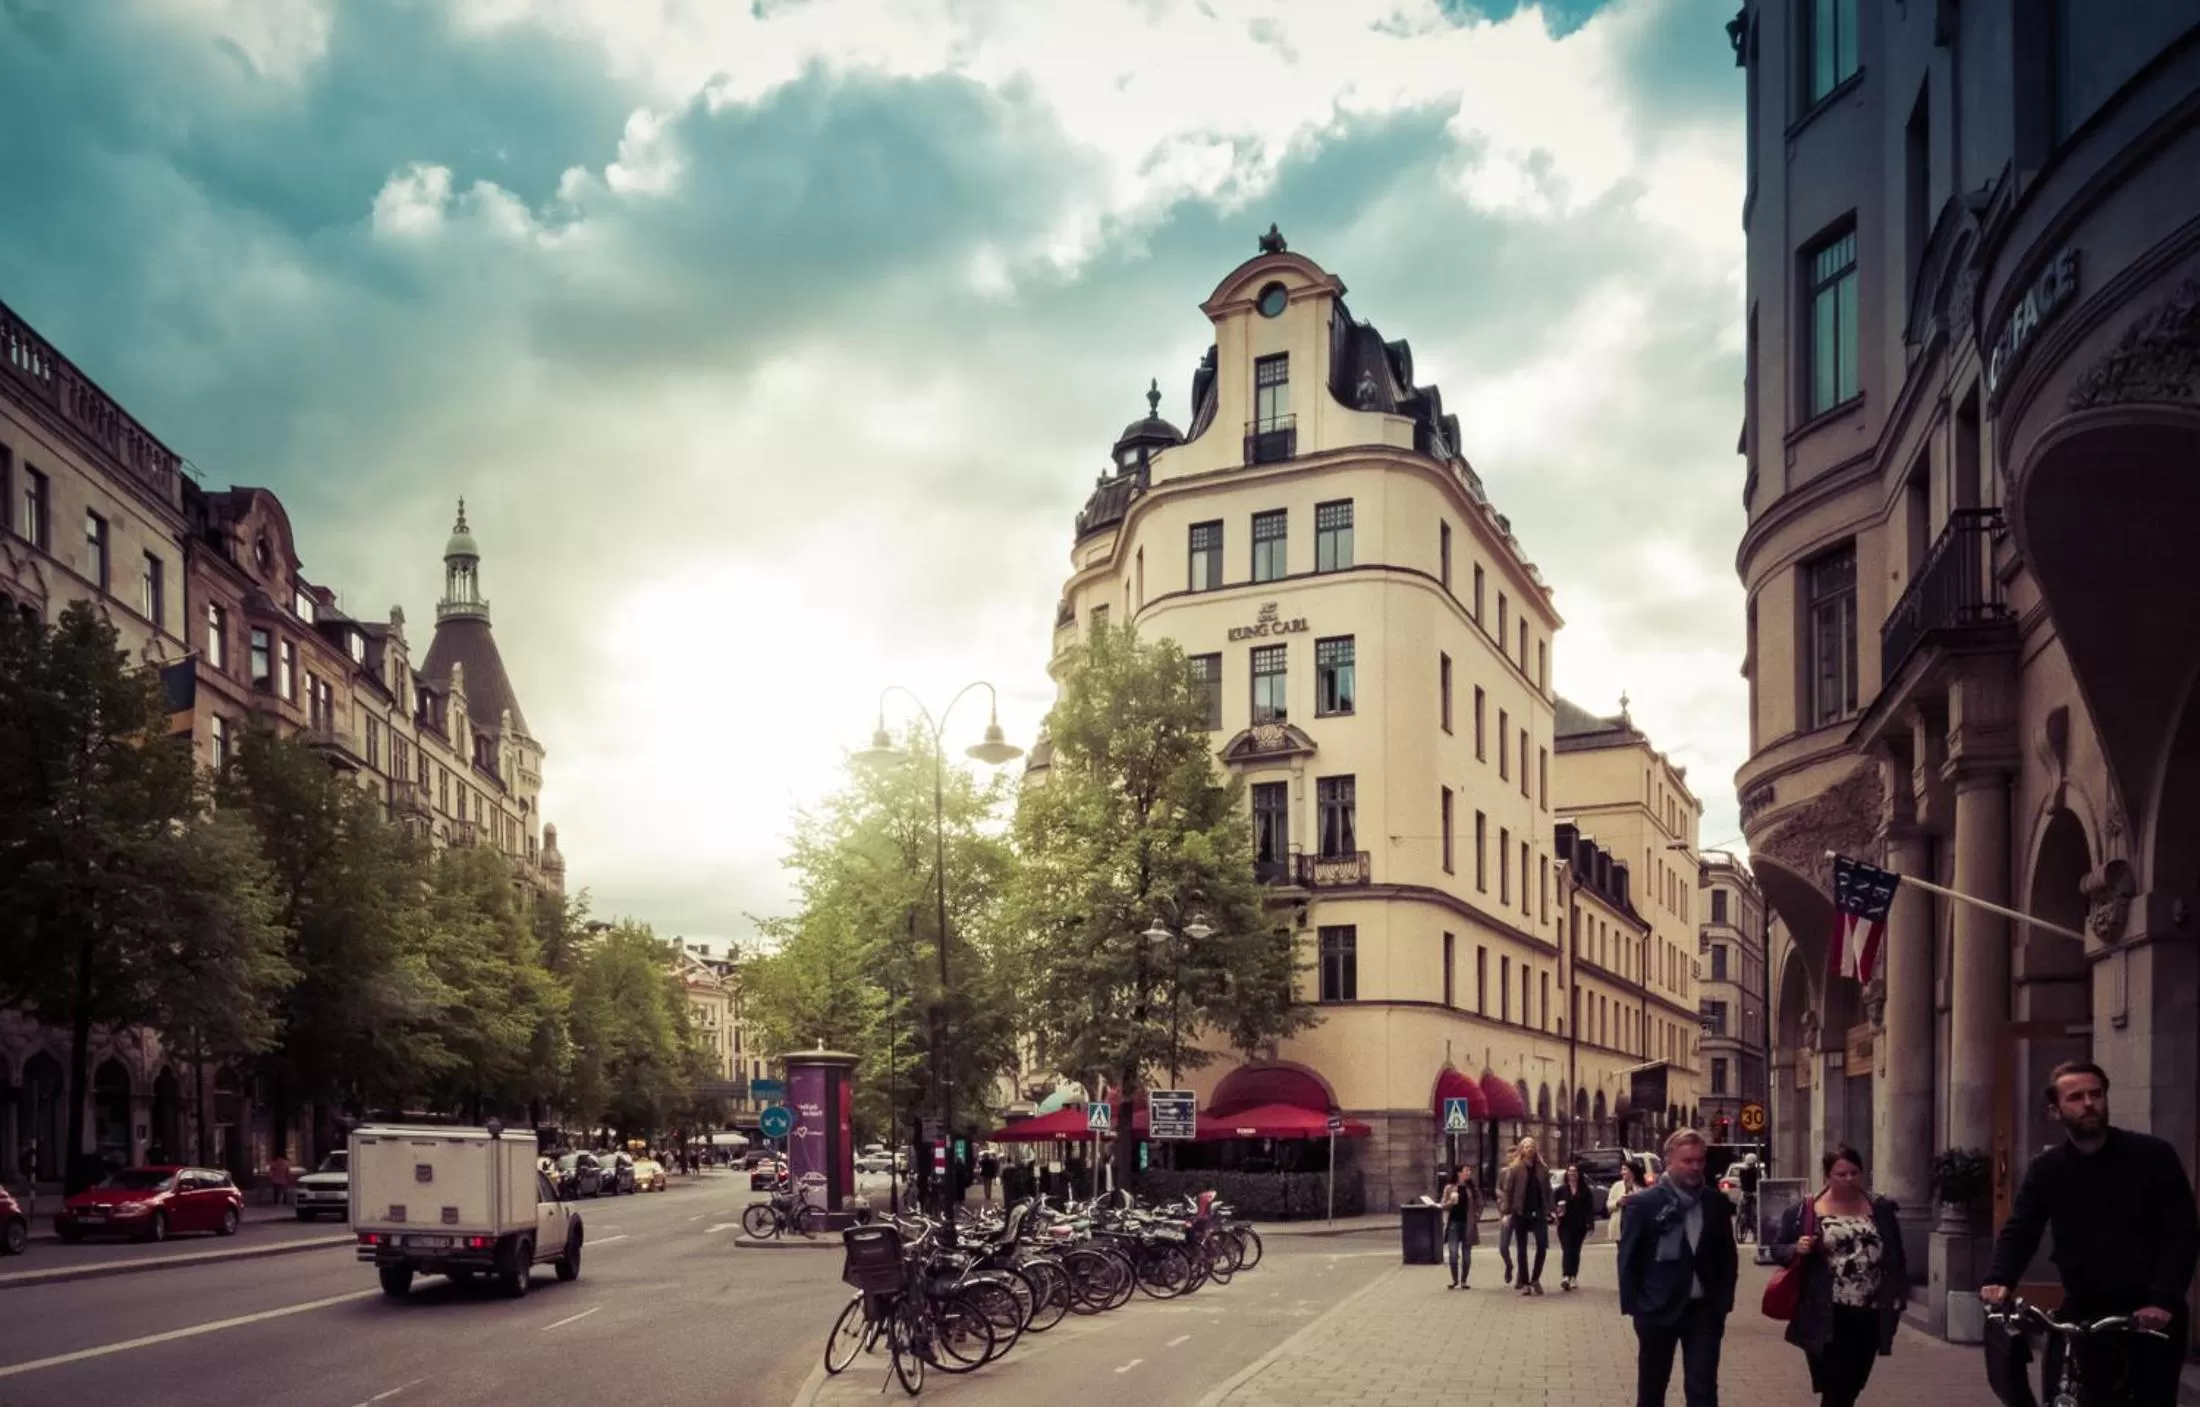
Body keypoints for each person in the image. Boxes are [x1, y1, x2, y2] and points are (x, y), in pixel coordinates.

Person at [1981, 1060, 2199, 1407]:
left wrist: (2162, 1299)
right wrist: (1999, 1278)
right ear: (2055, 1111)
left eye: (2095, 1094)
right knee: (2069, 1392)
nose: (2088, 1104)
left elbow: (2181, 1232)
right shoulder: (2047, 1169)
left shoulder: (2153, 1156)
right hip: (2085, 1305)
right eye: (2075, 1097)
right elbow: (2022, 1228)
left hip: (2149, 1311)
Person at [1770, 1145, 1908, 1407]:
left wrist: (1898, 1295)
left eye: (1854, 1173)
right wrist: (1796, 1248)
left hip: (1870, 1311)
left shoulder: (1880, 1208)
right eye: (1841, 1174)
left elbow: (1896, 1256)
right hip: (1826, 1311)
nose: (1849, 1179)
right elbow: (1778, 1249)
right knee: (1836, 1387)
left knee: (1853, 1384)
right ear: (1827, 1177)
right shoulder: (1806, 1210)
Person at [1618, 1128, 1739, 1407]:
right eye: (1687, 1161)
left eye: (1700, 1160)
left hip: (1703, 1311)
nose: (1695, 1167)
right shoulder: (1644, 1204)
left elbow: (1727, 1257)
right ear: (1669, 1161)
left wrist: (1723, 1303)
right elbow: (1628, 1260)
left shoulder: (1715, 1203)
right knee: (1652, 1389)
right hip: (1657, 1310)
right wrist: (1636, 1308)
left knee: (1703, 1389)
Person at [1500, 1136, 1552, 1295]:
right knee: (1521, 1249)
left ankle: (1535, 1278)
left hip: (1539, 1212)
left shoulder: (1542, 1168)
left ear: (1535, 1149)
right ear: (1522, 1150)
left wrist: (1551, 1209)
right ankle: (1525, 1282)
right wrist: (1506, 1212)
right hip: (1520, 1212)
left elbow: (1548, 1191)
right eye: (1526, 1146)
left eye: (1532, 1146)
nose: (1530, 1149)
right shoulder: (1515, 1168)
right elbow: (1508, 1191)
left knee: (1542, 1245)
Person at [1553, 1161, 1597, 1290]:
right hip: (1564, 1224)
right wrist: (1556, 1214)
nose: (1571, 1174)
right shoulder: (1561, 1190)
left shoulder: (1585, 1190)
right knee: (1567, 1249)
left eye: (1574, 1171)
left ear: (1579, 1174)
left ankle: (1573, 1276)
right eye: (1570, 1171)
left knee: (1575, 1251)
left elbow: (1589, 1208)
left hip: (1579, 1225)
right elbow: (1553, 1205)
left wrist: (1590, 1224)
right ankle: (1565, 1276)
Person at [1441, 1165, 1481, 1290]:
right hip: (1453, 1223)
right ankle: (1455, 1280)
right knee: (1453, 1253)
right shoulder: (1450, 1187)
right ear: (1459, 1173)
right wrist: (1450, 1202)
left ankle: (1464, 1281)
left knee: (1466, 1254)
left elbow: (1479, 1203)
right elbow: (1443, 1205)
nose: (1469, 1173)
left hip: (1468, 1224)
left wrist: (1476, 1216)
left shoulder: (1471, 1188)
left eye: (1469, 1171)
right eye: (1466, 1171)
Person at [1738, 1154, 1763, 1245]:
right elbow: (1759, 1182)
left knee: (1742, 1211)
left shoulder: (1742, 1171)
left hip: (1745, 1194)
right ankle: (1755, 1233)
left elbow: (1742, 1183)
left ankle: (1742, 1229)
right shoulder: (1757, 1172)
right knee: (1755, 1213)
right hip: (1754, 1194)